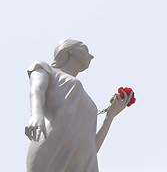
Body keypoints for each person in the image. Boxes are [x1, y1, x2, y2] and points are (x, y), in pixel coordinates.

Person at [25, 39, 133, 172]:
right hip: (52, 148)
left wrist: (110, 116)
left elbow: (92, 148)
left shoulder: (89, 104)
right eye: (85, 49)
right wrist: (36, 114)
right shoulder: (46, 70)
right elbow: (37, 90)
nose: (91, 56)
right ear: (68, 50)